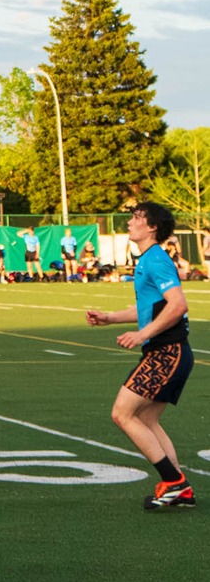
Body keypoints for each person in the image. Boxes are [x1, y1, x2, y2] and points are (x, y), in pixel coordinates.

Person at [86, 201, 195, 510]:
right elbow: (149, 308)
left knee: (122, 413)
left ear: (152, 227)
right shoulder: (149, 259)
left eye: (137, 217)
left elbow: (178, 305)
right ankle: (180, 489)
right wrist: (109, 317)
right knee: (146, 419)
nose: (130, 222)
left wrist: (141, 334)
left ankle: (174, 482)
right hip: (169, 352)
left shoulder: (156, 259)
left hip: (167, 352)